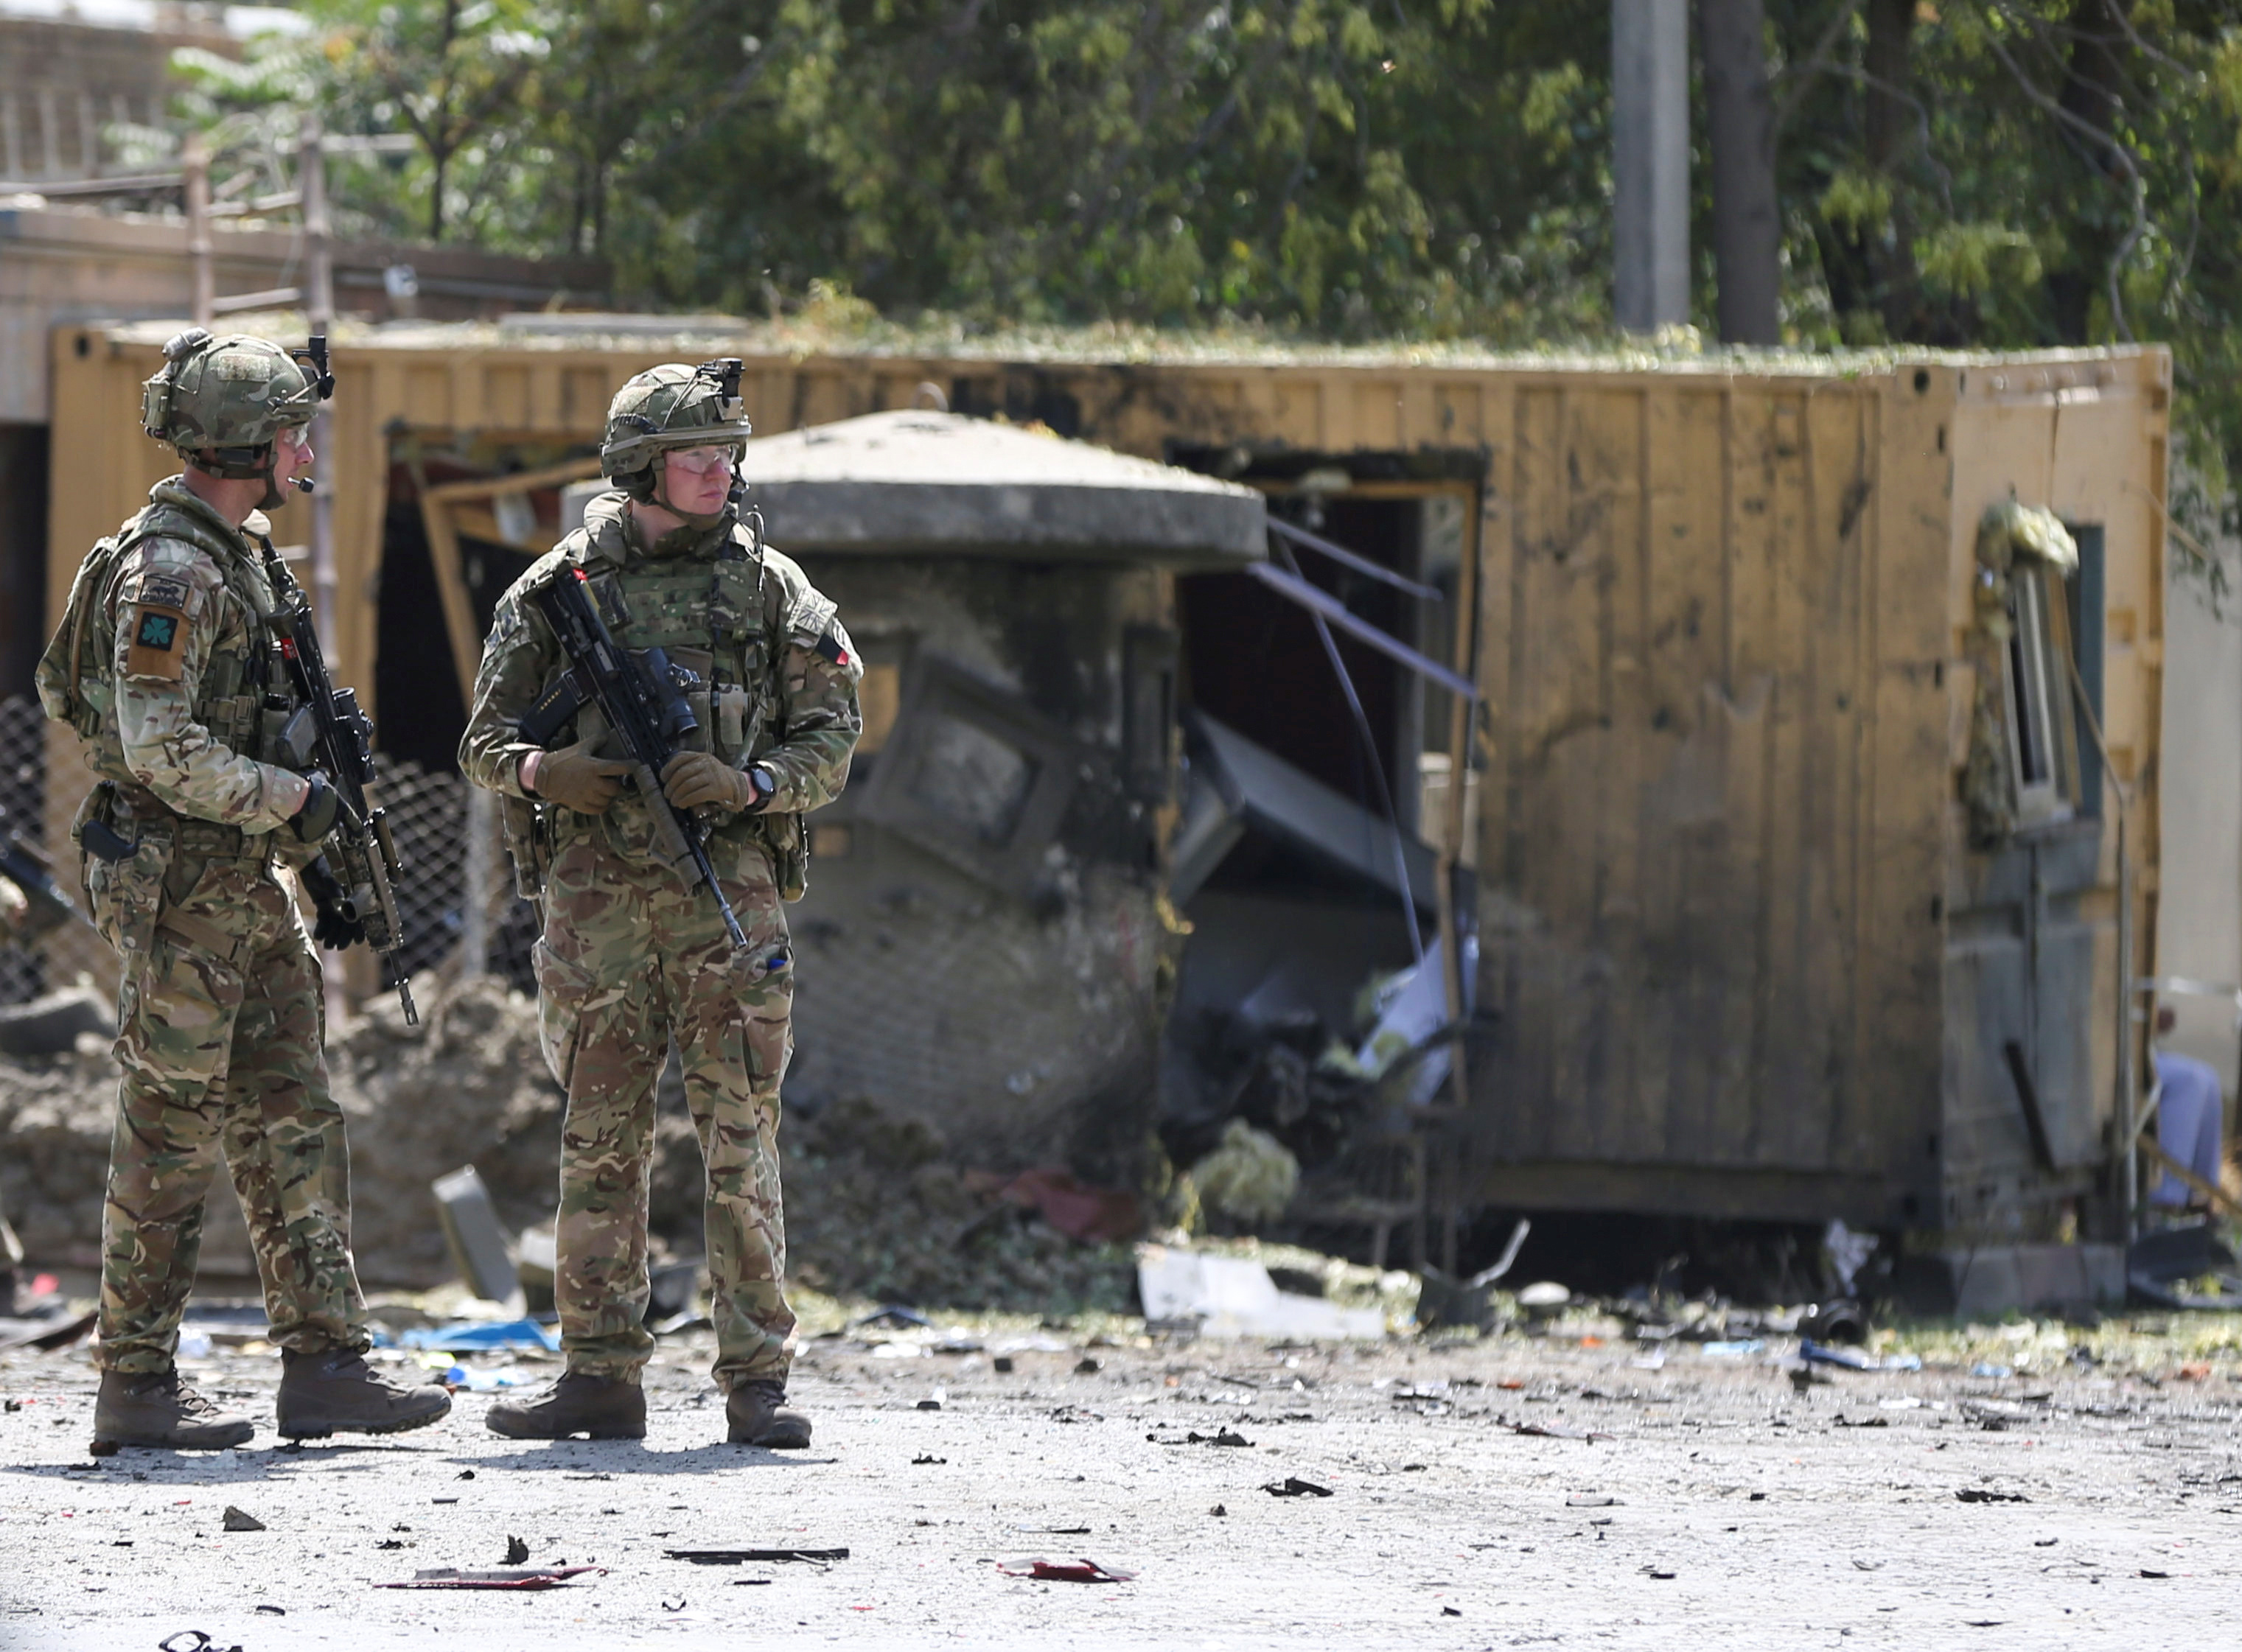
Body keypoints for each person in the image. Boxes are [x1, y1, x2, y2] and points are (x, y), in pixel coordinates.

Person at [36, 328, 450, 1452]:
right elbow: (159, 746)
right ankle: (135, 1386)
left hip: (241, 882)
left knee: (292, 1111)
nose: (306, 447)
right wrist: (293, 798)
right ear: (244, 446)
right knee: (169, 1127)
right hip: (180, 885)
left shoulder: (244, 551)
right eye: (290, 432)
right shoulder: (168, 572)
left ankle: (325, 1362)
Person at [459, 360, 860, 1447]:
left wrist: (754, 784)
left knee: (739, 1135)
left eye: (728, 453)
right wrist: (548, 775)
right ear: (640, 464)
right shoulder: (558, 589)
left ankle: (757, 1378)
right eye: (696, 456)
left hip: (725, 896)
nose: (719, 471)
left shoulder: (772, 586)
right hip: (598, 908)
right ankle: (598, 1371)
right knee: (599, 1138)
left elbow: (833, 731)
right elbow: (484, 739)